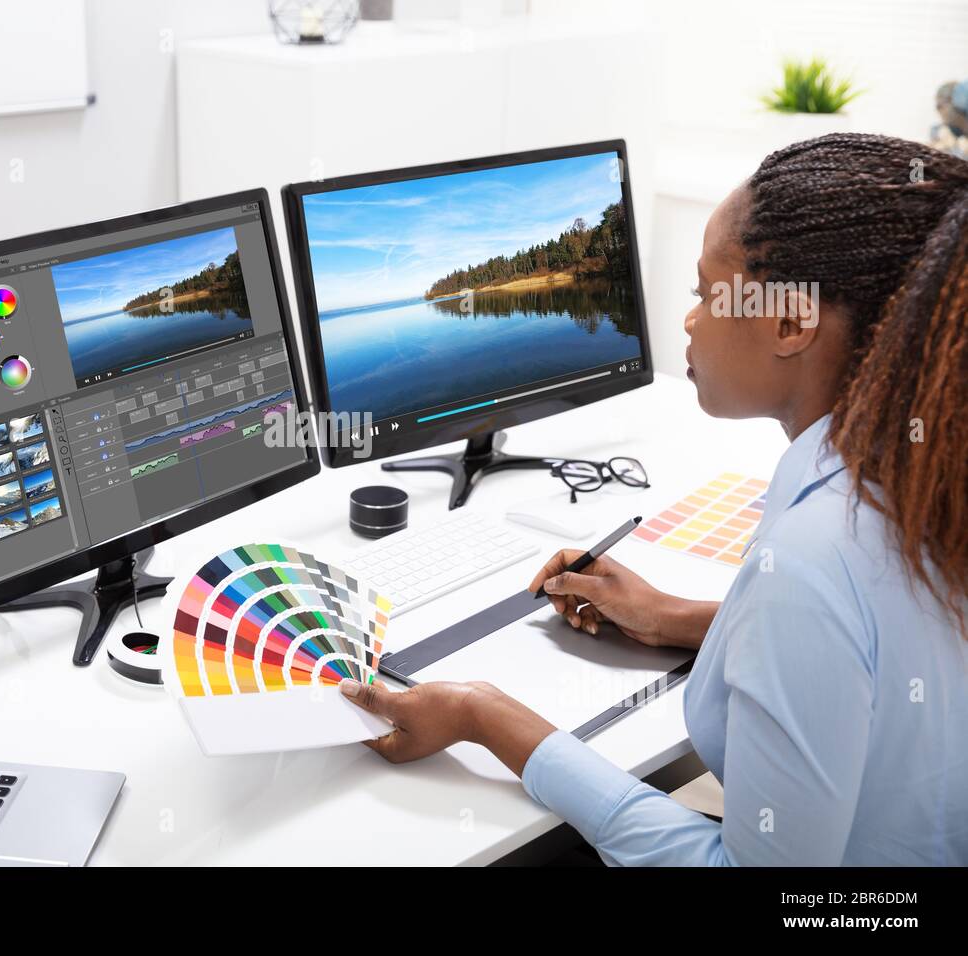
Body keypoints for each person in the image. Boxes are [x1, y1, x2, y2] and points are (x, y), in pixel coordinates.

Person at [340, 133, 968, 865]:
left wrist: (489, 717)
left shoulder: (811, 562)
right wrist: (681, 619)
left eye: (707, 293)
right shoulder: (926, 482)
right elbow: (875, 659)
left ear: (793, 323)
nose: (689, 320)